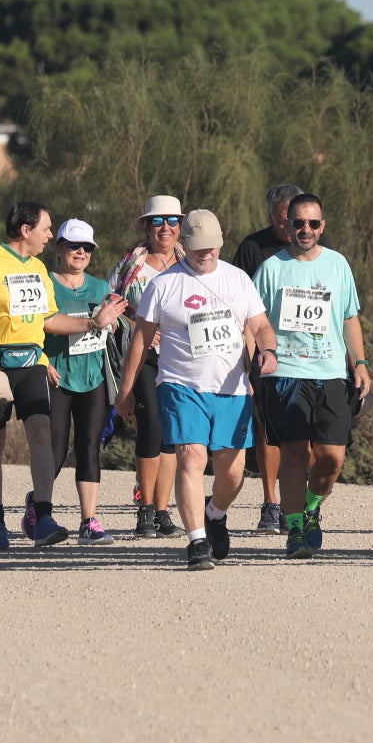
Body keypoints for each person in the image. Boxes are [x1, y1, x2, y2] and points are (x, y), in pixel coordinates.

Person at [116, 209, 277, 571]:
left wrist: (268, 350)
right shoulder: (164, 284)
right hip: (180, 384)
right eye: (198, 247)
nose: (206, 254)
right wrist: (125, 391)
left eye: (213, 247)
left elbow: (261, 325)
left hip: (231, 388)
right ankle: (197, 541)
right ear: (184, 244)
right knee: (191, 456)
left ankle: (215, 513)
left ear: (221, 242)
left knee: (233, 472)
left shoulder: (238, 281)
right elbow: (140, 342)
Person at [0, 202, 124, 552]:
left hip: (31, 360)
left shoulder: (36, 268)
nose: (50, 235)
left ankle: (43, 516)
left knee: (41, 433)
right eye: (46, 229)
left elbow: (50, 320)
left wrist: (94, 323)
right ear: (25, 230)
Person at [252, 193, 369, 557]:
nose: (305, 229)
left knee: (332, 457)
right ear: (286, 225)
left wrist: (361, 363)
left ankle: (312, 506)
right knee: (293, 454)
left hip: (332, 372)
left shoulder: (337, 265)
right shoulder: (271, 268)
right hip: (285, 372)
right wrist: (249, 366)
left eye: (313, 223)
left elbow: (350, 317)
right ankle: (296, 530)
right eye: (298, 223)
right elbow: (253, 321)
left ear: (323, 226)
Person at [107, 197, 187, 538]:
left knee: (171, 434)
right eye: (157, 221)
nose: (165, 227)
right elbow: (110, 299)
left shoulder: (191, 261)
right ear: (146, 226)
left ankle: (162, 511)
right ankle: (144, 509)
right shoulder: (131, 263)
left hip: (182, 357)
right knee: (151, 426)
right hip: (141, 354)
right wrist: (131, 323)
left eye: (171, 220)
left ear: (180, 225)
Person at [233, 182, 304, 534]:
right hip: (265, 353)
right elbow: (235, 304)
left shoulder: (321, 250)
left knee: (312, 433)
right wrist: (248, 361)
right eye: (283, 222)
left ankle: (304, 502)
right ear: (271, 217)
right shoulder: (253, 248)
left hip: (311, 355)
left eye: (297, 221)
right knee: (269, 426)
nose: (293, 229)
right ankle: (271, 503)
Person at [43, 219, 118, 545]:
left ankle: (89, 522)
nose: (81, 252)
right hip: (57, 376)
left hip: (93, 377)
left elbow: (109, 324)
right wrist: (43, 360)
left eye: (87, 247)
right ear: (59, 248)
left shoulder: (101, 287)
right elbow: (39, 324)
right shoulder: (45, 282)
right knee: (55, 452)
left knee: (89, 448)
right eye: (74, 246)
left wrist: (113, 325)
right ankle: (39, 510)